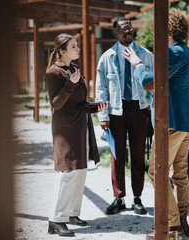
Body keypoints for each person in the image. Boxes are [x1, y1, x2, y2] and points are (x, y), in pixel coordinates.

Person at [122, 8, 189, 239]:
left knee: (156, 172)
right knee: (180, 174)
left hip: (172, 123)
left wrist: (137, 64)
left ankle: (173, 225)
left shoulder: (174, 53)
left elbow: (149, 81)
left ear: (167, 30)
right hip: (186, 125)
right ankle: (183, 222)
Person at [45, 33, 108, 237]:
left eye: (77, 45)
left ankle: (72, 213)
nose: (78, 49)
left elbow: (78, 101)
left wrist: (96, 106)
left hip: (81, 124)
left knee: (80, 169)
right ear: (62, 50)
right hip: (65, 129)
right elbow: (56, 103)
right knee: (68, 171)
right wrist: (71, 83)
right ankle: (56, 218)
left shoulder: (74, 68)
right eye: (74, 46)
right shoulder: (53, 73)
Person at [96, 17, 154, 215]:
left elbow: (152, 85)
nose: (128, 31)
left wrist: (150, 108)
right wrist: (103, 115)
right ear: (116, 33)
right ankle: (118, 197)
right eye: (124, 29)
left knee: (138, 154)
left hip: (139, 109)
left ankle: (137, 198)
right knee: (117, 155)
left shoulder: (146, 55)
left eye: (130, 28)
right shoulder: (107, 57)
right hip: (116, 111)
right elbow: (101, 89)